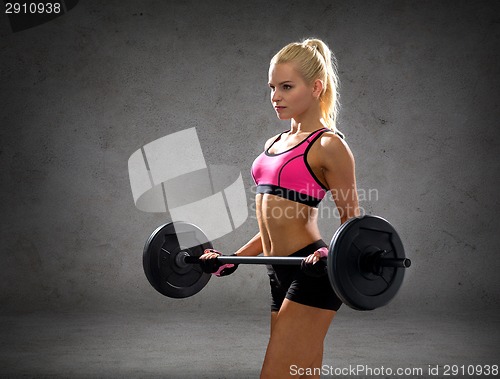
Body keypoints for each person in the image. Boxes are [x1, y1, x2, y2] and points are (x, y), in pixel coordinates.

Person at [200, 38, 360, 379]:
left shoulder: (329, 145)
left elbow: (354, 226)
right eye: (272, 87)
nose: (276, 96)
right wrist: (233, 257)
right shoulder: (273, 143)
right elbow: (273, 224)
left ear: (316, 87)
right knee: (300, 372)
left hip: (312, 270)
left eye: (287, 87)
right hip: (278, 269)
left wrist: (330, 256)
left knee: (276, 373)